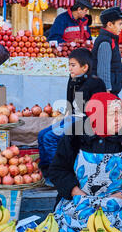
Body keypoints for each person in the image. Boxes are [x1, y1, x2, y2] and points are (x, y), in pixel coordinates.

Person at [49, 92, 122, 232]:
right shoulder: (75, 134)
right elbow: (58, 170)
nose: (119, 119)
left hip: (121, 206)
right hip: (81, 204)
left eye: (121, 113)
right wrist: (76, 193)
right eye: (113, 114)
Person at [38, 48, 106, 178]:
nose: (70, 68)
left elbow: (98, 111)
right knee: (42, 135)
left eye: (73, 65)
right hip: (73, 118)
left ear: (85, 67)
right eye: (69, 65)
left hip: (85, 121)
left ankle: (57, 174)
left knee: (50, 138)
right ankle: (46, 171)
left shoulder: (96, 83)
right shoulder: (73, 79)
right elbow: (70, 101)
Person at [91, 7, 122, 95]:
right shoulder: (106, 42)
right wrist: (106, 90)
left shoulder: (110, 40)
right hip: (107, 91)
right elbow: (103, 69)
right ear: (110, 24)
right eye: (120, 24)